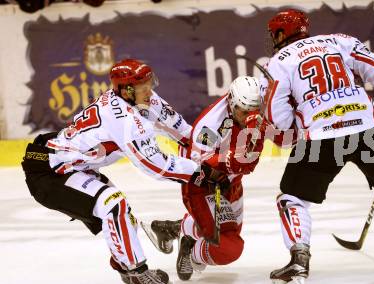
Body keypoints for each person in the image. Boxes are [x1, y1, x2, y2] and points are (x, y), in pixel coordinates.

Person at [262, 9, 374, 284]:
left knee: (292, 199)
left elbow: (276, 116)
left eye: (275, 33)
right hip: (367, 128)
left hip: (322, 137)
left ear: (282, 34)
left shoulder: (278, 62)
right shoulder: (338, 41)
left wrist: (297, 128)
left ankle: (298, 261)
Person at [21, 58, 228, 284]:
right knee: (113, 203)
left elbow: (183, 131)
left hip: (76, 166)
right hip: (51, 173)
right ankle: (136, 272)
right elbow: (155, 165)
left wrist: (214, 148)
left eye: (150, 85)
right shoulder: (123, 120)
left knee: (123, 216)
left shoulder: (144, 98)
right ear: (127, 90)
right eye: (143, 88)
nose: (150, 92)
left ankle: (127, 267)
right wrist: (202, 172)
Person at [143, 76, 267, 281]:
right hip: (201, 182)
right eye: (245, 113)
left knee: (231, 236)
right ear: (232, 104)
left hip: (231, 179)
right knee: (228, 248)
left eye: (255, 112)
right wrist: (230, 162)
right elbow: (198, 162)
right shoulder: (210, 124)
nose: (249, 119)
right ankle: (190, 249)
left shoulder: (256, 108)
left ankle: (176, 229)